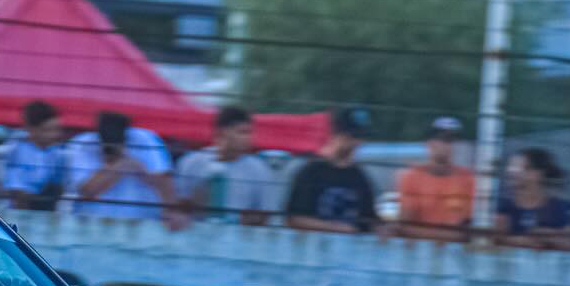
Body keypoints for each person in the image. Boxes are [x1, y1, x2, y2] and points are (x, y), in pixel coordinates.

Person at [174, 105, 282, 226]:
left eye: (250, 133)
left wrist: (235, 221)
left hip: (238, 239)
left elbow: (265, 213)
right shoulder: (192, 162)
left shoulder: (259, 169)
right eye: (242, 132)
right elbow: (177, 206)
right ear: (222, 133)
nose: (248, 138)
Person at [61, 110, 176, 223]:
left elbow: (162, 180)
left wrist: (172, 211)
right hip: (93, 221)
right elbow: (88, 191)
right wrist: (121, 165)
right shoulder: (82, 144)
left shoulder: (146, 139)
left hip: (141, 221)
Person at [285, 106, 379, 234]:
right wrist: (336, 228)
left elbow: (370, 222)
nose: (357, 143)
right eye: (352, 137)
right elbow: (295, 219)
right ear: (337, 134)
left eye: (361, 137)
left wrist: (384, 228)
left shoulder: (361, 178)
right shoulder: (311, 171)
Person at [394, 116, 476, 241]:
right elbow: (405, 226)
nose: (448, 145)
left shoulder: (467, 179)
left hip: (454, 254)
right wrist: (448, 236)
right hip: (418, 251)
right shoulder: (411, 177)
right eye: (443, 139)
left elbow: (468, 230)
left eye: (452, 140)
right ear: (429, 143)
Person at [495, 148, 570, 250]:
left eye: (520, 168)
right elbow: (497, 238)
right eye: (511, 167)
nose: (512, 172)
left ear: (538, 174)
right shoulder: (505, 205)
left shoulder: (557, 207)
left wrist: (549, 237)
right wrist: (524, 241)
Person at [0, 99, 70, 212]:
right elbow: (16, 192)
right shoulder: (15, 150)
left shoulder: (59, 153)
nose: (56, 135)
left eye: (57, 129)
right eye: (48, 130)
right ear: (31, 129)